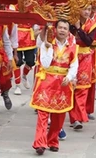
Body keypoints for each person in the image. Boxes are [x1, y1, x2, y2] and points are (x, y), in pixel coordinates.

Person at [30, 20, 78, 155]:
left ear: (69, 31)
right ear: (55, 29)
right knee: (43, 114)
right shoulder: (47, 44)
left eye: (65, 28)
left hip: (62, 84)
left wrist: (69, 77)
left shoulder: (73, 46)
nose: (62, 30)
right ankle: (40, 143)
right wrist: (48, 47)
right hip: (47, 82)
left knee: (59, 115)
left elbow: (74, 65)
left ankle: (52, 140)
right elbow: (45, 64)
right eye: (60, 28)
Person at [69, 5, 96, 130]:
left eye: (89, 9)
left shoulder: (93, 24)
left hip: (85, 57)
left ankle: (78, 118)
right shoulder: (70, 23)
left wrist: (79, 29)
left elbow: (88, 41)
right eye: (84, 9)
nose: (87, 12)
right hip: (71, 55)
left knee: (82, 87)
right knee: (71, 86)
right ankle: (73, 117)